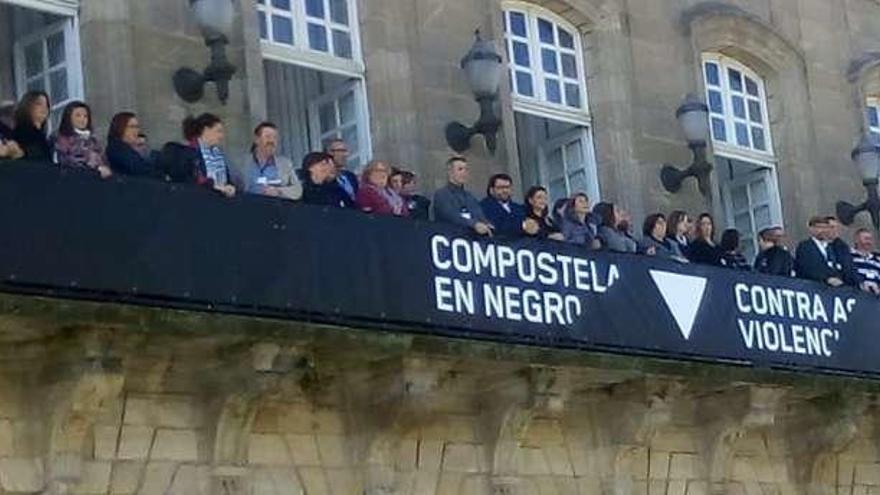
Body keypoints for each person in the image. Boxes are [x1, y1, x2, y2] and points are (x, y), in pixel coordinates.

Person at [238, 122, 301, 200]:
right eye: (267, 137)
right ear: (257, 140)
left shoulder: (285, 164)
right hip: (249, 207)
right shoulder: (242, 163)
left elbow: (298, 191)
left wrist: (278, 191)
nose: (271, 141)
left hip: (276, 208)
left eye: (275, 137)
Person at [432, 156, 493, 236]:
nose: (464, 172)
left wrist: (486, 224)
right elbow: (451, 216)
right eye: (460, 169)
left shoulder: (470, 196)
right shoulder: (441, 194)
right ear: (450, 172)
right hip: (450, 237)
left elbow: (479, 214)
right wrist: (474, 224)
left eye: (466, 169)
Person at [53, 101, 112, 179]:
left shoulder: (93, 139)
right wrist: (93, 167)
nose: (82, 119)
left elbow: (103, 158)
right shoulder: (62, 138)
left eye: (85, 116)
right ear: (68, 117)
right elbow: (66, 160)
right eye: (78, 115)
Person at [182, 113, 235, 197]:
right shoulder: (191, 151)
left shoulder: (219, 153)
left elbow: (227, 177)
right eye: (218, 131)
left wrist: (230, 186)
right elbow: (194, 179)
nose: (221, 136)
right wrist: (214, 186)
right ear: (206, 130)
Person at [795, 216, 856, 287]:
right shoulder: (805, 246)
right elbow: (806, 267)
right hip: (813, 286)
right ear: (811, 229)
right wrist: (826, 278)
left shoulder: (832, 247)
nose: (823, 230)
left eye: (825, 228)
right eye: (819, 227)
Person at [106, 112, 158, 177]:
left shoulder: (132, 148)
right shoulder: (117, 148)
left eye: (137, 127)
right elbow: (138, 168)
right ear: (121, 128)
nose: (136, 131)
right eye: (132, 127)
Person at [480, 173, 526, 238]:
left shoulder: (519, 208)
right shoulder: (484, 206)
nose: (505, 190)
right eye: (500, 188)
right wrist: (522, 226)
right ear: (491, 190)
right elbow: (497, 227)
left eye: (507, 187)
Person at [12, 91, 52, 161]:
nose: (44, 108)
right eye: (39, 104)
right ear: (27, 106)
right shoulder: (21, 133)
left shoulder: (42, 136)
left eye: (46, 105)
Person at [826, 216, 860, 286]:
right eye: (832, 227)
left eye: (836, 227)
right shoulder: (814, 246)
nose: (835, 230)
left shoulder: (843, 248)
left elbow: (849, 269)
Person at [325, 138, 358, 208]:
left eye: (345, 151)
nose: (345, 155)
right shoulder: (325, 178)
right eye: (341, 151)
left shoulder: (351, 176)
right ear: (330, 153)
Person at [851, 228, 880, 295]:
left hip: (875, 298)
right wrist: (861, 284)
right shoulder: (849, 256)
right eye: (866, 238)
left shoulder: (877, 259)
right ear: (856, 240)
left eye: (870, 239)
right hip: (856, 294)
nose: (868, 242)